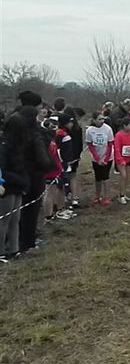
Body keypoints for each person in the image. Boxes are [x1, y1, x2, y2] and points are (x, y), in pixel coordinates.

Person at [18, 105, 53, 252]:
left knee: (21, 211)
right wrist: (48, 166)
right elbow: (42, 157)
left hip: (19, 174)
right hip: (34, 174)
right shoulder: (35, 133)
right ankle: (28, 243)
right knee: (31, 210)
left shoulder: (16, 133)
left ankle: (19, 242)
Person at [0, 114, 28, 261]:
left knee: (15, 219)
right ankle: (1, 251)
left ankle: (14, 249)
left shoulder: (19, 144)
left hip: (19, 185)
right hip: (7, 186)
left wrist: (24, 181)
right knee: (4, 219)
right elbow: (2, 167)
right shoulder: (4, 144)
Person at [85, 111, 115, 204]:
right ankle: (97, 195)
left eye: (103, 119)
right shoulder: (90, 130)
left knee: (105, 176)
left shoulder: (108, 129)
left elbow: (110, 144)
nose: (102, 121)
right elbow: (90, 145)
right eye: (99, 119)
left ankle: (106, 196)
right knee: (98, 177)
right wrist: (97, 158)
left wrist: (105, 159)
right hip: (96, 157)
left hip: (107, 156)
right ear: (94, 120)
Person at [114, 117, 130, 204]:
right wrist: (120, 159)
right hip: (120, 159)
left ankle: (124, 193)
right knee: (123, 176)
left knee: (127, 176)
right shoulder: (118, 135)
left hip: (128, 158)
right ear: (124, 126)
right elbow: (116, 148)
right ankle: (121, 195)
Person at [65, 107, 85, 208]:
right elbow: (80, 144)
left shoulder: (63, 130)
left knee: (64, 177)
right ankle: (74, 198)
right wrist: (77, 156)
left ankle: (65, 196)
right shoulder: (78, 128)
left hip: (65, 157)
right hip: (74, 156)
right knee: (73, 176)